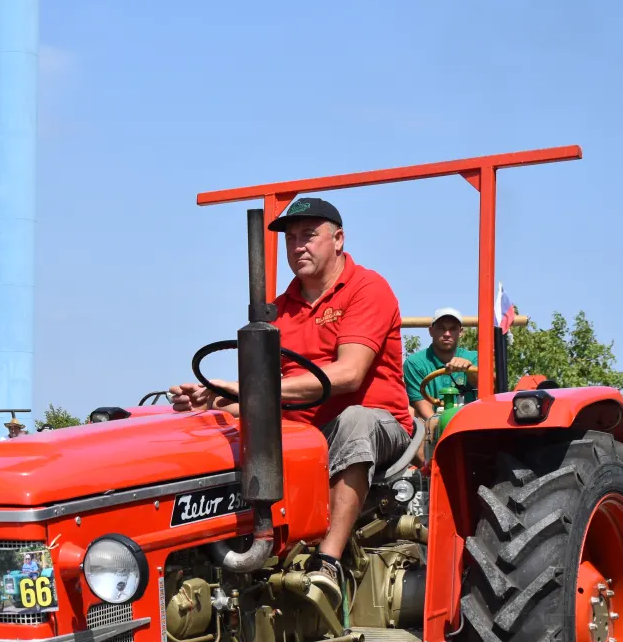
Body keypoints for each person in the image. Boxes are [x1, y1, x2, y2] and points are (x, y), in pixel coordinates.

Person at [169, 198, 410, 599]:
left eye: (308, 235)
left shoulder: (368, 289)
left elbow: (349, 376)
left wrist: (245, 389)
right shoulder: (278, 312)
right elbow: (262, 394)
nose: (298, 245)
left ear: (338, 239)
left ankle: (327, 564)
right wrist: (212, 400)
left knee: (356, 420)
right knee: (215, 429)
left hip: (379, 426)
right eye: (290, 237)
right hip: (304, 433)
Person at [404, 308, 477, 436]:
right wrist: (440, 427)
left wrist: (469, 369)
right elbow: (422, 406)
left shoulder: (473, 358)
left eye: (452, 328)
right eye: (441, 328)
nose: (447, 334)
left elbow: (486, 385)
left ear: (460, 332)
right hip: (432, 427)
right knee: (409, 413)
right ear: (431, 331)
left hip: (470, 426)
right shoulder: (414, 363)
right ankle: (430, 455)